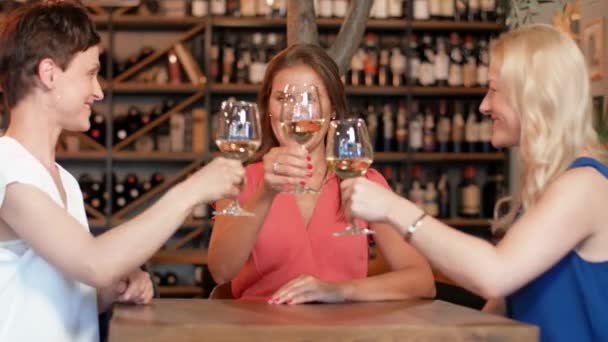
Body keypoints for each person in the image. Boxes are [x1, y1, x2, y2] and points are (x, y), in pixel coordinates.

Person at [341, 24, 608, 342]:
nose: (483, 106)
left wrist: (392, 208)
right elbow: (502, 304)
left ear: (533, 95)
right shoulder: (550, 186)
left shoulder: (582, 186)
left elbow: (494, 275)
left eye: (494, 90)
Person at [0, 2, 244, 341]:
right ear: (49, 74)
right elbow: (94, 263)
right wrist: (193, 190)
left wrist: (117, 284)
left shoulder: (65, 181)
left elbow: (80, 291)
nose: (98, 90)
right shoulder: (6, 167)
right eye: (90, 73)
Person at [208, 44, 435, 304]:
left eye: (311, 99)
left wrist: (340, 291)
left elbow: (422, 280)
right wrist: (266, 193)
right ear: (268, 108)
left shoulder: (363, 183)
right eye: (283, 98)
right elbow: (220, 271)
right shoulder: (239, 180)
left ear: (333, 111)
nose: (295, 112)